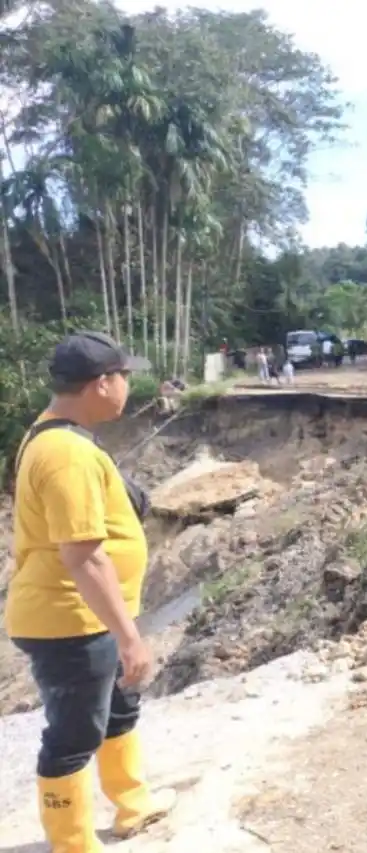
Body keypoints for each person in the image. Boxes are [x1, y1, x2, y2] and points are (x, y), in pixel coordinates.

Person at [5, 331, 176, 851]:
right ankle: (72, 841)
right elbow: (83, 556)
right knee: (73, 734)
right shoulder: (65, 453)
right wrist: (130, 638)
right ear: (102, 383)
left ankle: (132, 804)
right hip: (69, 621)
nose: (128, 385)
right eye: (124, 376)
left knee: (119, 711)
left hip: (92, 614)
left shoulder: (60, 434)